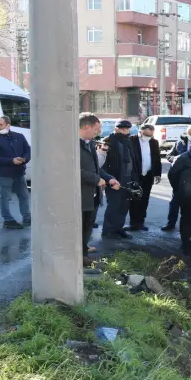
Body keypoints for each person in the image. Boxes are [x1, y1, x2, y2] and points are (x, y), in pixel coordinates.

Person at [79, 113, 113, 266]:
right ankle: (80, 257)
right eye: (96, 128)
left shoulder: (90, 143)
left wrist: (108, 178)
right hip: (80, 194)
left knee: (88, 225)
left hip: (92, 193)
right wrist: (96, 179)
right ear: (86, 126)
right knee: (79, 227)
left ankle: (84, 252)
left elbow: (96, 169)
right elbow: (72, 169)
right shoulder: (71, 144)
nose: (98, 132)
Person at [0, 115, 31, 229]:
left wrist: (24, 159)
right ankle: (8, 220)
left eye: (1, 124)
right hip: (4, 174)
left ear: (8, 125)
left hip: (19, 172)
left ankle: (27, 217)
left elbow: (27, 150)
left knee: (24, 196)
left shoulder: (19, 137)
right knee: (5, 197)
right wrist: (11, 161)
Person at [100, 120, 138, 239]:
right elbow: (102, 164)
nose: (124, 130)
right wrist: (109, 179)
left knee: (124, 206)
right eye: (121, 128)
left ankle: (118, 229)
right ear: (116, 128)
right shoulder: (108, 141)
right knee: (113, 206)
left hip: (128, 178)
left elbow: (134, 160)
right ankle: (107, 231)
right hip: (115, 178)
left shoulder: (129, 141)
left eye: (127, 128)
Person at [129, 123, 161, 231]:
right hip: (135, 175)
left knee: (145, 199)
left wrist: (157, 173)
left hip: (148, 174)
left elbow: (157, 158)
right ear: (140, 131)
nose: (149, 137)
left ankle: (141, 222)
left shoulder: (154, 142)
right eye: (147, 135)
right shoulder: (131, 140)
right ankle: (133, 223)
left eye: (151, 135)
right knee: (134, 199)